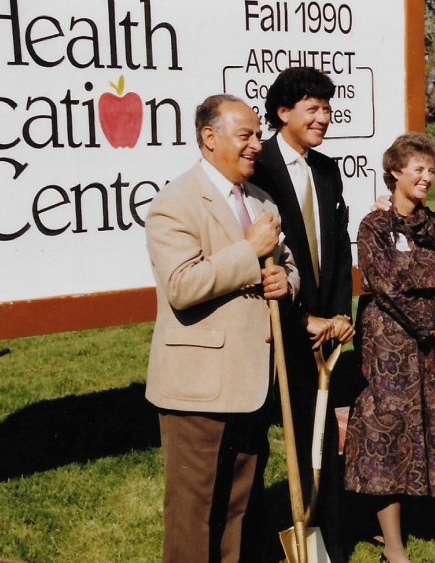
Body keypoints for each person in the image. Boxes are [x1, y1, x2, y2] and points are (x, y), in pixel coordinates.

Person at [145, 94, 298, 563]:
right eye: (245, 135)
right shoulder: (175, 202)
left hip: (252, 384)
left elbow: (286, 265)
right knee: (193, 518)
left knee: (237, 513)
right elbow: (181, 285)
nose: (257, 145)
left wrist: (284, 281)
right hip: (198, 391)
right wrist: (250, 255)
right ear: (209, 138)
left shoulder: (260, 200)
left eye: (257, 134)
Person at [249, 66, 354, 563]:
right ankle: (256, 543)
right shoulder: (258, 167)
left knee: (320, 439)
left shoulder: (327, 169)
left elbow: (338, 248)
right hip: (274, 330)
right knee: (257, 443)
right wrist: (300, 320)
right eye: (312, 108)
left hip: (323, 336)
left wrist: (338, 314)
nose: (323, 117)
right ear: (282, 113)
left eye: (327, 108)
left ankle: (328, 542)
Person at [344, 133, 435, 563]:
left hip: (427, 341)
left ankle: (407, 520)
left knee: (420, 427)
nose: (427, 177)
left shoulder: (428, 226)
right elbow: (385, 284)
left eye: (431, 170)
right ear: (395, 172)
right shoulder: (372, 225)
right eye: (418, 169)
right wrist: (434, 276)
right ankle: (393, 546)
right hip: (387, 342)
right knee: (384, 432)